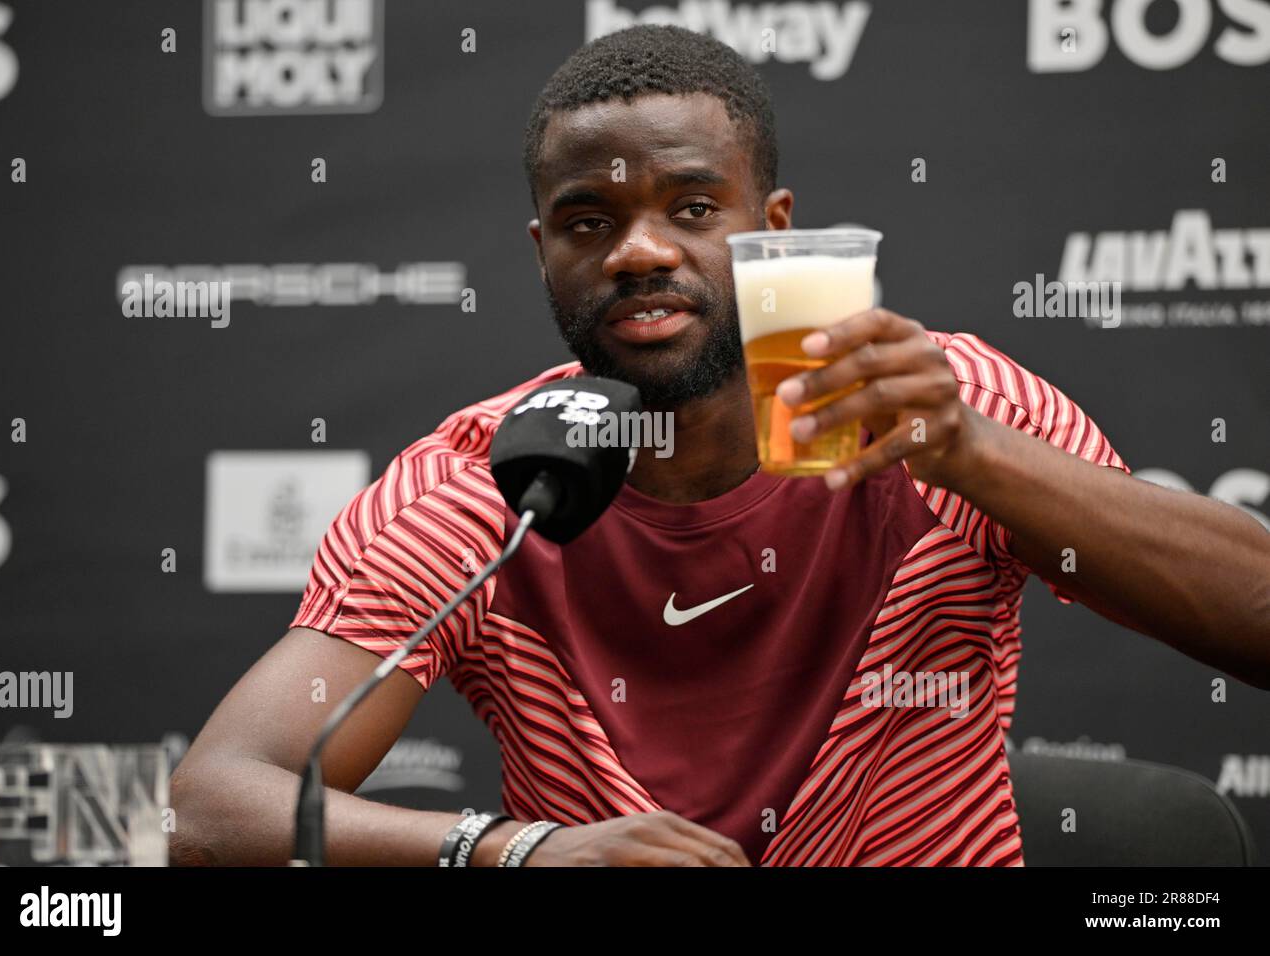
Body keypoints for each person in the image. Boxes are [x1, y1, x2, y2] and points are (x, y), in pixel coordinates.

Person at [169, 25, 1270, 867]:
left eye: (693, 206)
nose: (641, 249)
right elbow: (210, 805)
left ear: (771, 228)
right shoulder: (480, 486)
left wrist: (974, 455)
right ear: (542, 251)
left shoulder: (948, 401)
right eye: (591, 221)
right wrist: (519, 848)